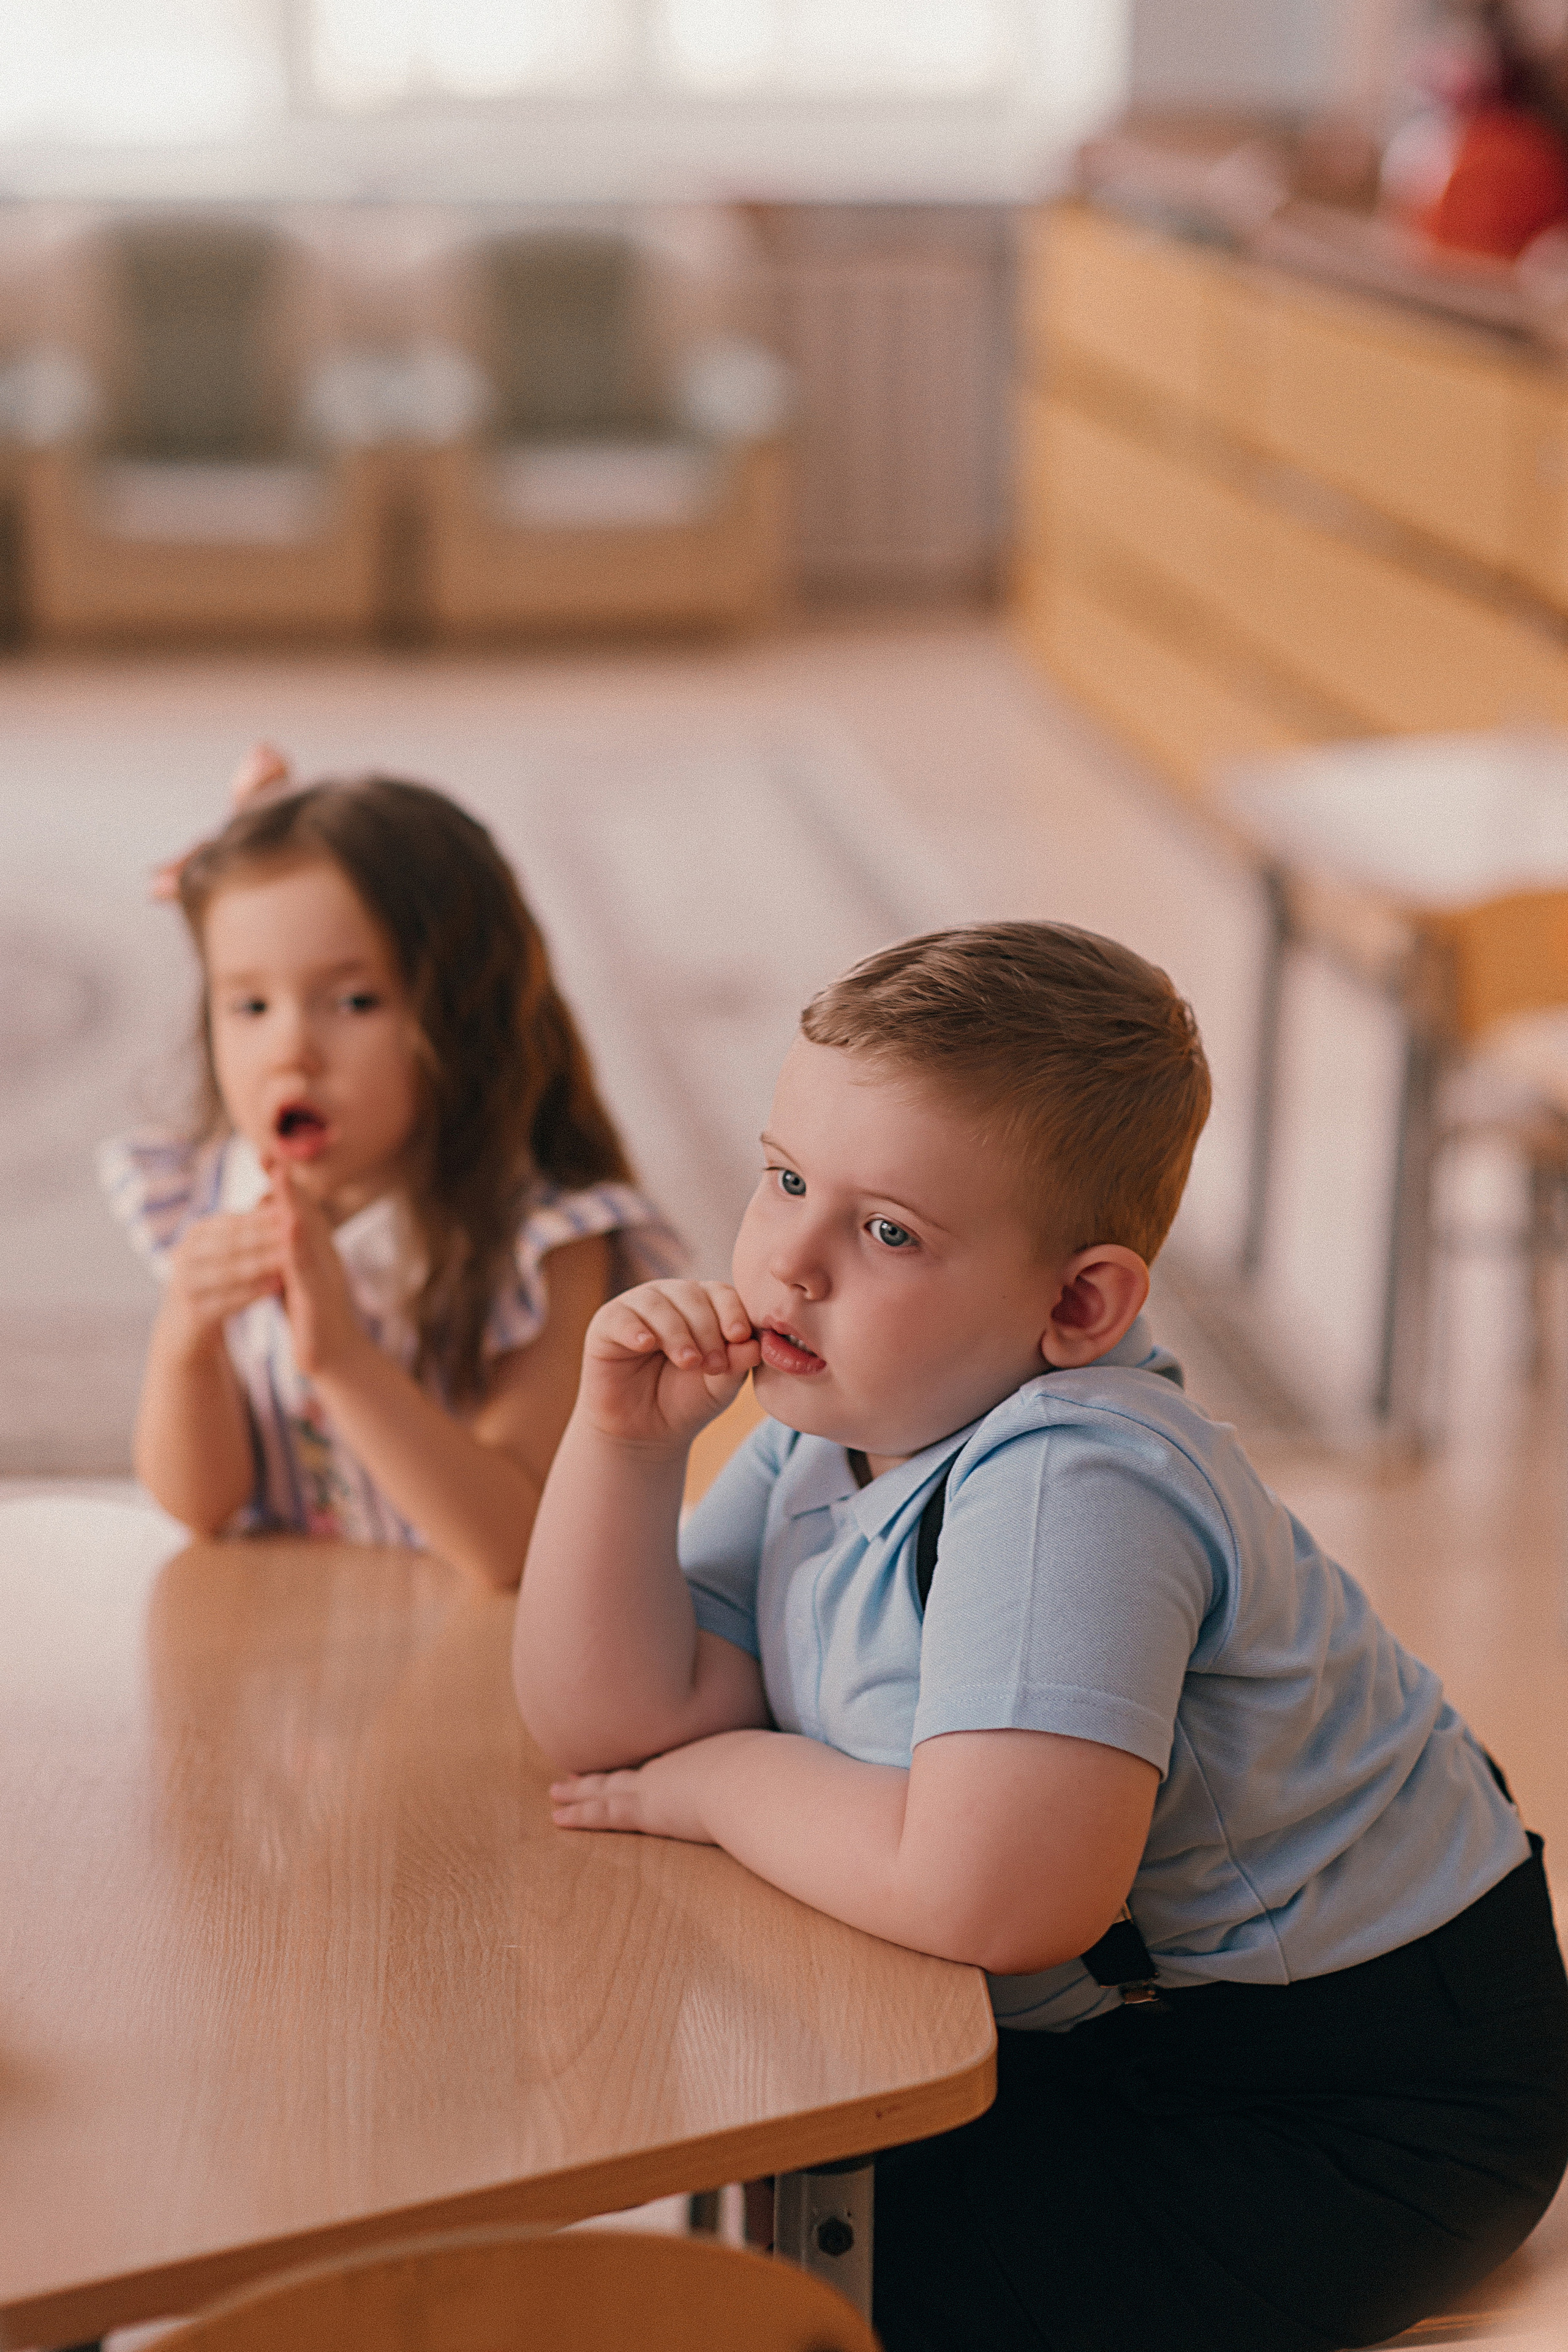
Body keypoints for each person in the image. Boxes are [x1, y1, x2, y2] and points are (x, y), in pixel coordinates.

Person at [513, 921, 1568, 2351]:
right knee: (751, 2158)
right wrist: (622, 1452)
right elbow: (608, 1726)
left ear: (1078, 1303)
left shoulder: (1075, 1478)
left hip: (1354, 2104)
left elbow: (990, 1898)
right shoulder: (843, 1419)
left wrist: (712, 1784)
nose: (790, 1264)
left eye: (886, 1232)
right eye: (785, 1179)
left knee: (831, 2279)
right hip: (1128, 2041)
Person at [102, 748, 679, 1590]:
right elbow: (204, 1507)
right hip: (289, 1632)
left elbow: (513, 1546)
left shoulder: (547, 1243)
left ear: (465, 1015)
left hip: (470, 1642)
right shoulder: (214, 1192)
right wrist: (186, 1333)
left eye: (354, 1002)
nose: (290, 1051)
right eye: (250, 1004)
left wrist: (342, 1358)